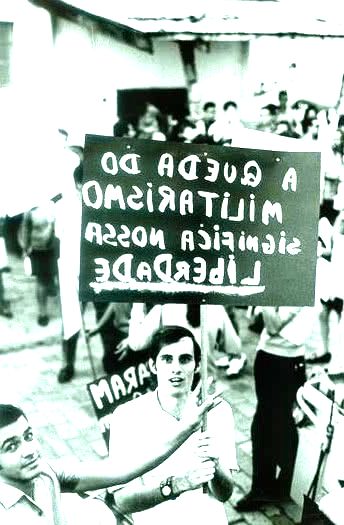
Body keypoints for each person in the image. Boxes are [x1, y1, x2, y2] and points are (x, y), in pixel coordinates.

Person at [0, 395, 220, 523]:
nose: (29, 450)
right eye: (11, 446)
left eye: (28, 436)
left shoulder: (46, 473)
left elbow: (121, 470)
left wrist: (187, 427)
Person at [108, 325, 238, 525]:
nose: (176, 368)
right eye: (167, 359)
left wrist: (216, 464)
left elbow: (224, 494)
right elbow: (123, 501)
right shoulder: (126, 416)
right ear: (153, 365)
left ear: (196, 366)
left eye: (185, 359)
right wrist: (178, 484)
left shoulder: (218, 410)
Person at [236, 306, 316, 512]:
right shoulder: (300, 278)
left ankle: (266, 489)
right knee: (279, 422)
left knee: (264, 426)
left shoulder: (296, 280)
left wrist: (264, 300)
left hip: (281, 362)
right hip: (281, 359)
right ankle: (284, 483)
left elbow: (272, 324)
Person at [116, 303, 246, 378]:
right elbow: (235, 348)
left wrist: (138, 304)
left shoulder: (163, 310)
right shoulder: (216, 308)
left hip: (172, 387)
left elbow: (136, 343)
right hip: (206, 386)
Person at [18, 200, 59, 326]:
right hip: (40, 247)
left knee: (47, 279)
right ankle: (42, 312)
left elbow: (25, 228)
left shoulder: (54, 205)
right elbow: (25, 228)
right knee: (42, 280)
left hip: (52, 246)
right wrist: (25, 247)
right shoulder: (33, 208)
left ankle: (45, 309)